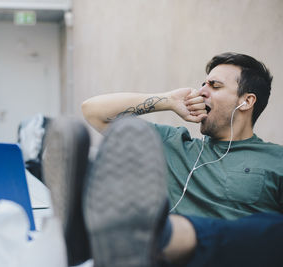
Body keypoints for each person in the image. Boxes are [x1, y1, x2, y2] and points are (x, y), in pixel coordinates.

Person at [42, 52, 283, 267]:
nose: (201, 92)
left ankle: (98, 228)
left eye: (214, 86)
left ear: (246, 101)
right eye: (202, 84)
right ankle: (101, 222)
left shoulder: (276, 160)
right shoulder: (175, 144)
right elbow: (94, 111)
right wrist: (167, 101)